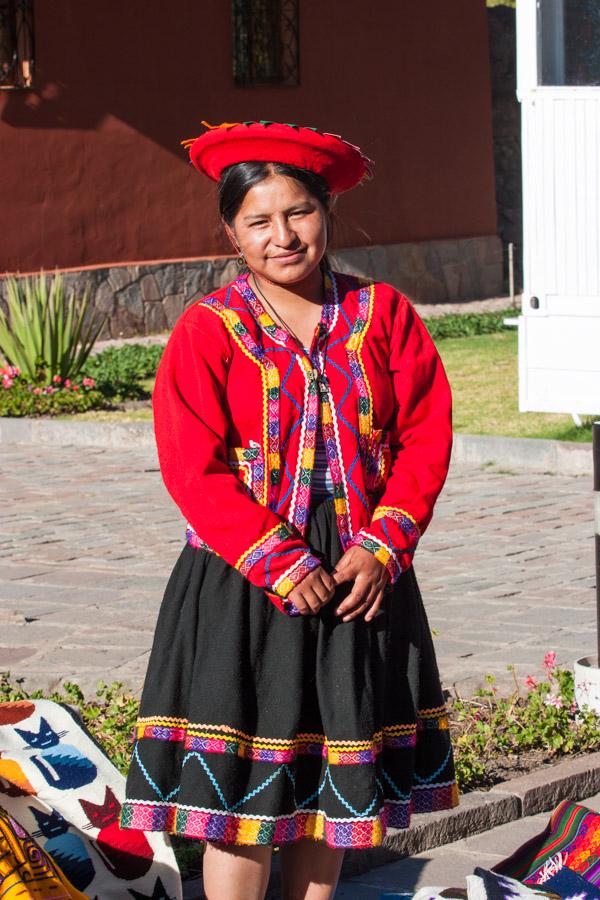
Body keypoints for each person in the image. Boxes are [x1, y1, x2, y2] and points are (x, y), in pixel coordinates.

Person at [121, 120, 458, 900]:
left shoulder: (385, 316)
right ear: (231, 235)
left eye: (298, 212)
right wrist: (277, 558)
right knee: (243, 796)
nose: (283, 235)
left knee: (329, 785)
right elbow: (192, 465)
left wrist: (381, 547)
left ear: (328, 213)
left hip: (358, 578)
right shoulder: (209, 331)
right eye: (259, 221)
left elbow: (424, 437)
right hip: (244, 579)